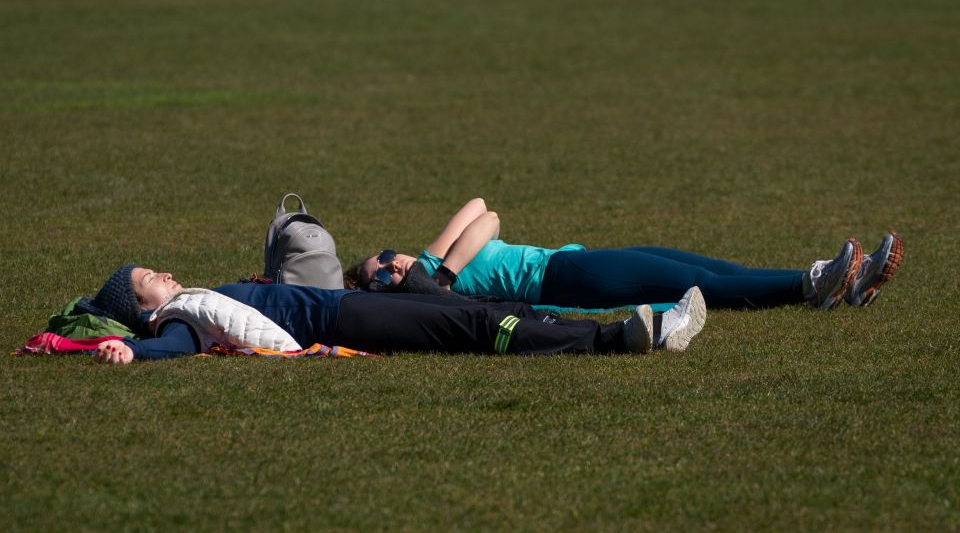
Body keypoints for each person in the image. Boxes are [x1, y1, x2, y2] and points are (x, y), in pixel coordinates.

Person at [345, 198, 904, 311]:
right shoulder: (426, 296)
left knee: (705, 267)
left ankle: (844, 287)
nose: (392, 265)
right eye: (383, 275)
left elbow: (484, 210)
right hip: (565, 279)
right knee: (695, 282)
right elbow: (484, 221)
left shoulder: (432, 270)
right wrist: (432, 277)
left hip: (575, 261)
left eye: (385, 255)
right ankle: (811, 282)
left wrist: (434, 262)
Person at [82, 265, 708, 364]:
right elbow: (181, 349)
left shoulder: (198, 296)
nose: (163, 273)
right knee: (474, 328)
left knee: (483, 309)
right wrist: (134, 350)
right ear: (142, 305)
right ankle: (621, 339)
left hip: (354, 304)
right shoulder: (175, 322)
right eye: (148, 278)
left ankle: (622, 326)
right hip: (346, 324)